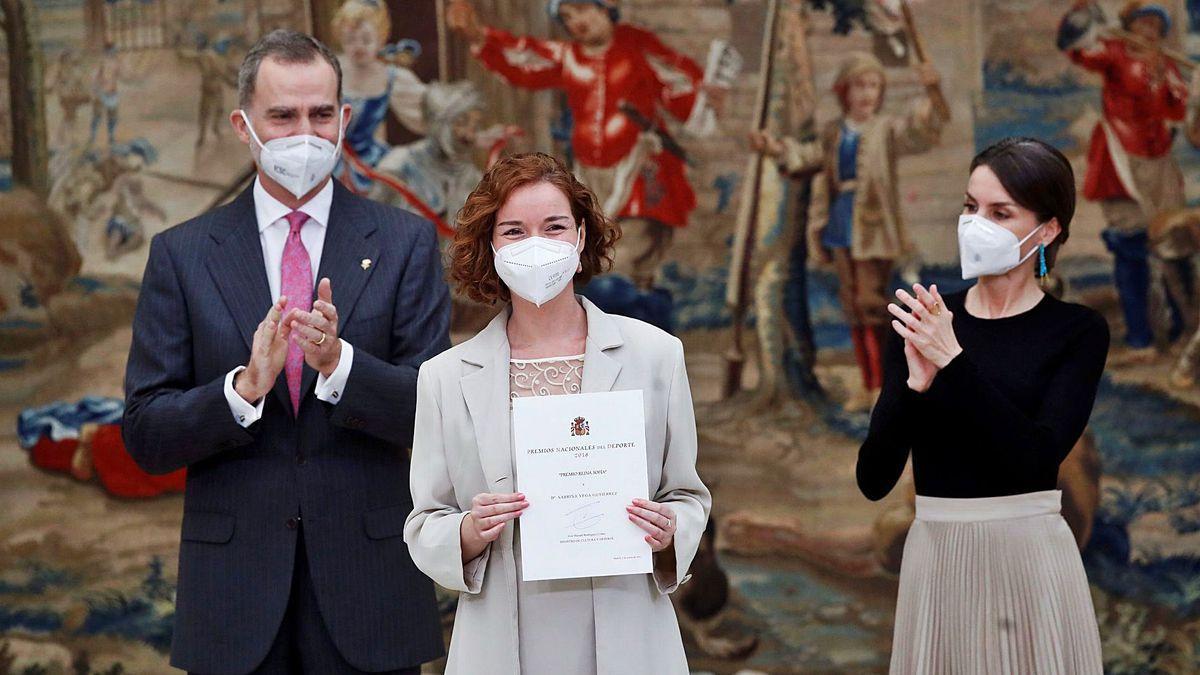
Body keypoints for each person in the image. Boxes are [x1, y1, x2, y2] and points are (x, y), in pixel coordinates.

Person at [122, 30, 448, 674]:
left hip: (369, 594)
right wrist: (241, 391)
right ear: (244, 126)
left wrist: (339, 367)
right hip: (235, 599)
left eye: (321, 114)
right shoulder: (182, 255)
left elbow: (435, 412)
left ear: (344, 119)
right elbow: (146, 435)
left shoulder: (406, 243)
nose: (306, 133)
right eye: (283, 115)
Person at [404, 152, 711, 674]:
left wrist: (668, 530)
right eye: (514, 231)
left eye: (554, 227)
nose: (536, 245)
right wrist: (471, 530)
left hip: (628, 624)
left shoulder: (656, 355)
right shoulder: (446, 376)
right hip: (505, 633)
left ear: (582, 236)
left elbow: (687, 496)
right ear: (491, 246)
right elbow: (425, 522)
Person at [857, 137, 1107, 672]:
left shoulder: (1077, 332)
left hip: (1030, 557)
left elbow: (1034, 460)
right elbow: (874, 479)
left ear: (1049, 229)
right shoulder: (925, 318)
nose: (976, 224)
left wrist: (953, 363)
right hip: (937, 556)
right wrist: (914, 386)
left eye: (1000, 212)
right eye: (970, 207)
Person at [447, 0, 723, 289]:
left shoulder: (637, 45)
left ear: (605, 7)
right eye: (566, 16)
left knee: (627, 257)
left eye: (581, 9)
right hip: (589, 175)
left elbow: (680, 84)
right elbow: (524, 57)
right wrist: (481, 37)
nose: (575, 20)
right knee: (592, 253)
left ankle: (636, 307)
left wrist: (706, 96)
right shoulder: (568, 56)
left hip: (638, 168)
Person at [750, 52, 945, 412]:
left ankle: (885, 383)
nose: (866, 93)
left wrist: (933, 93)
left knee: (873, 305)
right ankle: (867, 384)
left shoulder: (887, 129)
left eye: (873, 86)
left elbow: (922, 131)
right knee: (853, 307)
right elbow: (809, 156)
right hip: (839, 225)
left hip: (874, 230)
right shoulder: (834, 131)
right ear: (844, 92)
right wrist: (775, 148)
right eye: (859, 86)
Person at [1059, 0, 1187, 362]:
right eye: (1143, 25)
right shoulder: (1112, 53)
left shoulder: (1166, 64)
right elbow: (1079, 52)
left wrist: (1171, 83)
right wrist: (1083, 20)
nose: (1150, 33)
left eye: (1155, 27)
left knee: (1173, 244)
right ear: (1129, 27)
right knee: (1130, 248)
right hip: (1121, 161)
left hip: (1159, 164)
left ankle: (1180, 329)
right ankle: (1140, 337)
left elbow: (1176, 109)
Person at [331, 0, 427, 192]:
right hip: (329, 161)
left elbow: (430, 113)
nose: (358, 46)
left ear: (381, 38)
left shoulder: (389, 76)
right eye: (350, 40)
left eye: (366, 40)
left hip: (371, 163)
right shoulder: (330, 70)